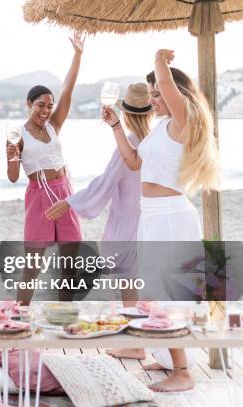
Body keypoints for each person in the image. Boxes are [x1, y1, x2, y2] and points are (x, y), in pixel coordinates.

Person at [102, 50, 220, 392]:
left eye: (157, 94)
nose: (154, 100)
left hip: (170, 216)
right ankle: (168, 359)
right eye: (151, 95)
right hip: (152, 216)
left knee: (171, 291)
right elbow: (135, 163)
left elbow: (167, 82)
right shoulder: (163, 127)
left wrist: (158, 61)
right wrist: (115, 127)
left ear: (174, 93)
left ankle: (182, 371)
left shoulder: (184, 121)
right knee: (154, 289)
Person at [46, 83, 154, 361]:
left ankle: (136, 344)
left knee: (128, 284)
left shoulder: (127, 144)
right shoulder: (153, 141)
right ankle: (141, 341)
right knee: (139, 283)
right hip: (150, 217)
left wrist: (69, 201)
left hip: (128, 221)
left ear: (126, 114)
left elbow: (106, 182)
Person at [6, 33, 84, 304]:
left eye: (49, 106)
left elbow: (68, 89)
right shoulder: (17, 133)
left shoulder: (54, 125)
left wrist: (78, 54)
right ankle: (19, 314)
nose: (46, 110)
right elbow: (14, 177)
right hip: (38, 195)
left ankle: (64, 315)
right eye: (40, 105)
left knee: (69, 260)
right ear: (29, 104)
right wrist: (12, 156)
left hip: (64, 192)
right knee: (33, 265)